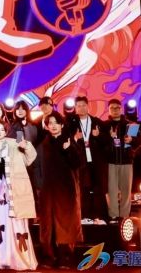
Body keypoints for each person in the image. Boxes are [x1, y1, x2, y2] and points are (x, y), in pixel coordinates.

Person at [0, 120, 38, 270]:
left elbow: (30, 159)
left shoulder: (14, 144)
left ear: (6, 132)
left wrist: (26, 146)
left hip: (13, 189)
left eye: (2, 129)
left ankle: (16, 256)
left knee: (15, 221)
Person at [37, 112, 84, 269]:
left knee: (65, 223)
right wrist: (39, 185)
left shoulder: (68, 141)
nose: (53, 125)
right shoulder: (44, 143)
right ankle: (49, 256)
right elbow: (37, 166)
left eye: (56, 122)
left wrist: (69, 149)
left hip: (65, 189)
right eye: (50, 123)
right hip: (47, 189)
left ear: (62, 125)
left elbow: (77, 163)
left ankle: (65, 257)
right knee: (47, 224)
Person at [67, 96, 108, 224]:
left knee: (97, 188)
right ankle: (84, 216)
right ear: (75, 108)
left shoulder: (97, 122)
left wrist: (98, 136)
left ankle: (99, 216)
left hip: (96, 160)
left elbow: (107, 141)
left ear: (88, 106)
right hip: (80, 161)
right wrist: (75, 138)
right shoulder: (71, 123)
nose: (81, 108)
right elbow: (66, 140)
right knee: (83, 189)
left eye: (84, 105)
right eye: (78, 106)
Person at [102, 99, 141, 222]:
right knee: (111, 190)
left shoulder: (131, 125)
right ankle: (113, 215)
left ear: (121, 109)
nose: (115, 110)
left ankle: (125, 215)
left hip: (126, 162)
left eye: (117, 107)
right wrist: (110, 138)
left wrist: (131, 140)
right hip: (110, 162)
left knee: (126, 190)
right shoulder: (104, 125)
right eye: (112, 108)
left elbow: (139, 142)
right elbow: (100, 143)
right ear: (108, 110)